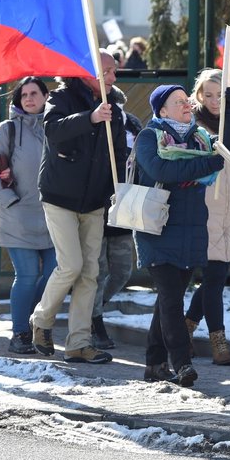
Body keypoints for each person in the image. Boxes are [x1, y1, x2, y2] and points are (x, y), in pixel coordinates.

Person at [134, 84, 230, 387]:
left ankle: (154, 363)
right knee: (170, 297)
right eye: (177, 102)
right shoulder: (148, 137)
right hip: (157, 228)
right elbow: (162, 171)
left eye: (186, 101)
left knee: (171, 298)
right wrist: (206, 164)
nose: (185, 105)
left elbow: (226, 153)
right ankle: (181, 363)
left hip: (192, 228)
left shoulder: (200, 137)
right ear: (161, 110)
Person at [29, 50, 128, 364]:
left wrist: (118, 191)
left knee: (90, 273)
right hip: (60, 197)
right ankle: (41, 320)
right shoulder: (61, 97)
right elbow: (53, 131)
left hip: (95, 201)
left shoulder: (116, 107)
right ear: (87, 70)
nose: (113, 78)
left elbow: (119, 156)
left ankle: (78, 344)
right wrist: (91, 117)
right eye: (108, 71)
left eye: (113, 71)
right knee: (71, 265)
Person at [185, 68, 230, 365]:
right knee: (214, 278)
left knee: (215, 278)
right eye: (208, 95)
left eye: (219, 94)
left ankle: (184, 330)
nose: (214, 101)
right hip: (204, 210)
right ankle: (219, 343)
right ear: (199, 95)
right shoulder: (191, 123)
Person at [0, 77, 57, 354]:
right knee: (26, 276)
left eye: (34, 93)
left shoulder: (57, 125)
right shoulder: (8, 129)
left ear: (46, 96)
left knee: (54, 274)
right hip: (17, 215)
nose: (28, 98)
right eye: (23, 94)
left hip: (53, 215)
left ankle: (35, 322)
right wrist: (7, 200)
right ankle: (20, 333)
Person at [90, 100, 143, 351]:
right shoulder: (95, 125)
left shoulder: (132, 123)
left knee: (122, 271)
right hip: (96, 208)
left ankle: (92, 310)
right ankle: (94, 321)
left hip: (124, 207)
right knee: (97, 273)